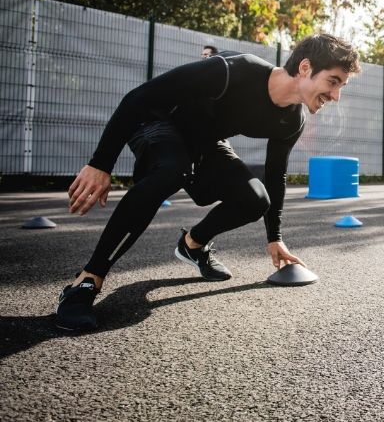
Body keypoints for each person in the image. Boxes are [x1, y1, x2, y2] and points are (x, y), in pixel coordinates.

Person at [56, 34, 361, 331]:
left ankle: (192, 245)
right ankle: (86, 281)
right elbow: (139, 98)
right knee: (169, 171)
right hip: (158, 125)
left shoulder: (292, 120)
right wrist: (100, 164)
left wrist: (275, 237)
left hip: (205, 142)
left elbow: (275, 175)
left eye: (342, 87)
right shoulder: (232, 71)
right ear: (305, 67)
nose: (336, 96)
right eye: (333, 82)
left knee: (256, 199)